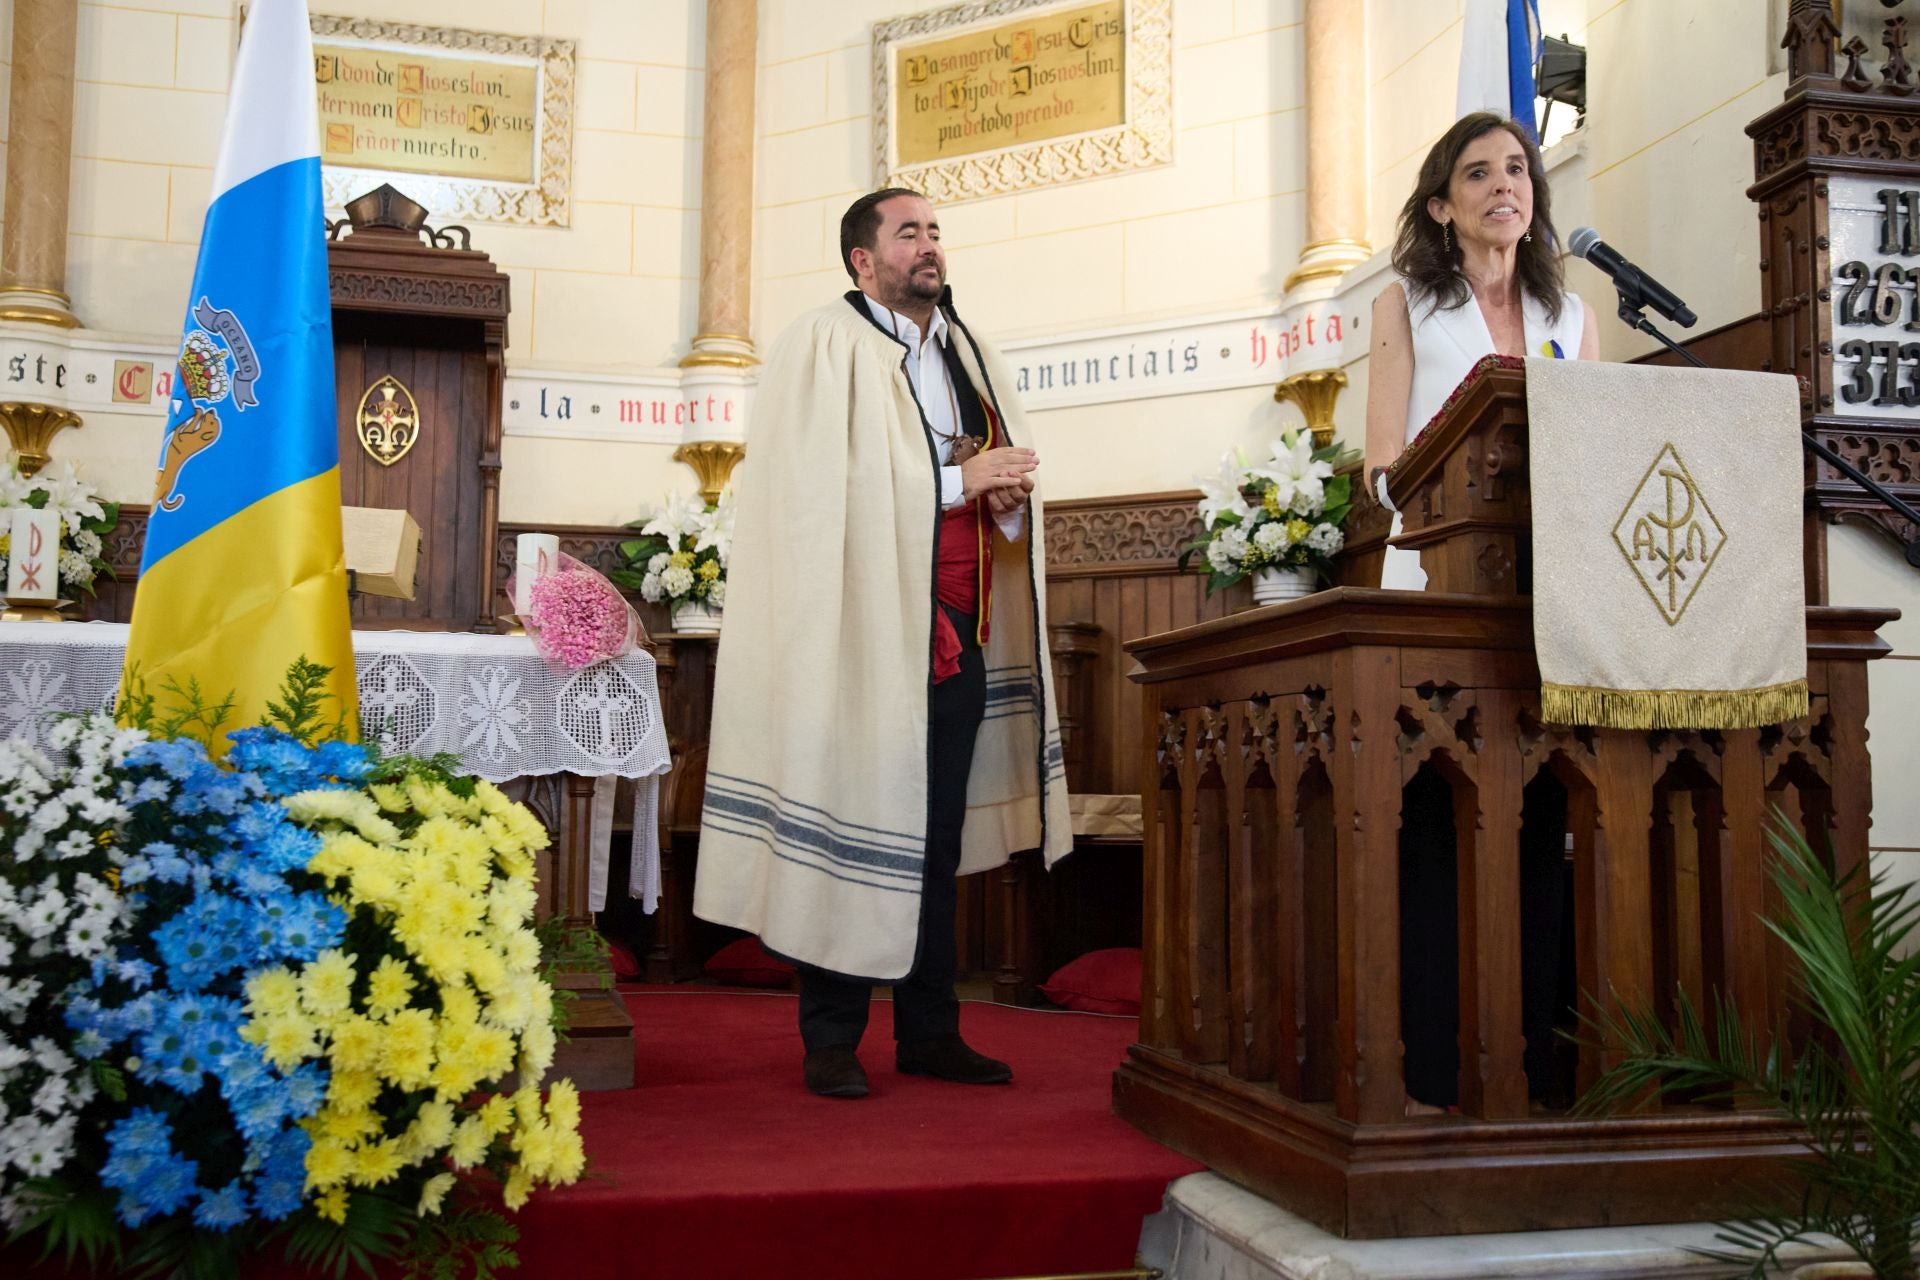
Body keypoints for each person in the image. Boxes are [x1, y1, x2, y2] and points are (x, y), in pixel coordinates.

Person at [693, 188, 1073, 1100]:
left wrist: (1006, 503)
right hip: (857, 642)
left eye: (936, 231)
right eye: (909, 233)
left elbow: (987, 477)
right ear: (863, 261)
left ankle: (930, 1032)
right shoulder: (822, 344)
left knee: (932, 840)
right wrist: (956, 480)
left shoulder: (969, 353)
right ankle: (831, 1038)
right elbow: (817, 492)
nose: (930, 246)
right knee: (847, 821)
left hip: (953, 633)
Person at [1363, 113, 1596, 1113]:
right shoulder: (1409, 303)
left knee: (1540, 820)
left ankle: (1539, 1066)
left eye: (1518, 167)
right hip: (1434, 587)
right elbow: (1382, 467)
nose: (1505, 183)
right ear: (1441, 204)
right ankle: (1435, 1063)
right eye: (1477, 171)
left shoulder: (1573, 314)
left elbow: (1595, 450)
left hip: (1548, 597)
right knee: (1434, 824)